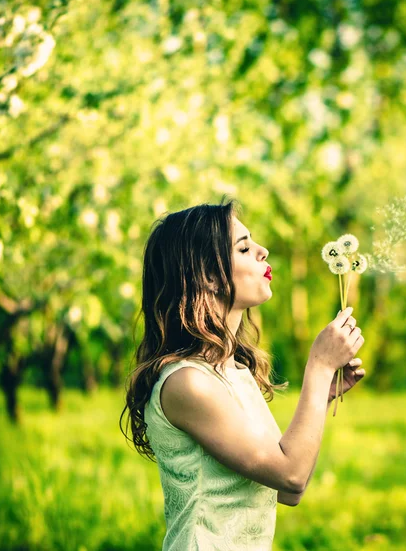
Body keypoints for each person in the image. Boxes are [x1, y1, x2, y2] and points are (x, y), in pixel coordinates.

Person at [120, 197, 366, 550]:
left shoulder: (235, 373)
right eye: (244, 247)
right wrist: (319, 366)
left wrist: (324, 392)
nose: (263, 251)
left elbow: (286, 490)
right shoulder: (188, 383)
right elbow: (292, 476)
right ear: (207, 274)